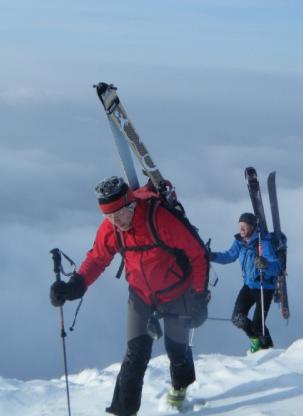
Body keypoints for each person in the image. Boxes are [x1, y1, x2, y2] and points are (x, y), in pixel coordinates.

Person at [49, 176, 210, 416]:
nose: (116, 221)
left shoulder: (160, 219)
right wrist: (76, 285)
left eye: (119, 214)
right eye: (109, 217)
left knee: (176, 350)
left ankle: (179, 388)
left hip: (177, 291)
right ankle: (124, 411)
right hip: (141, 294)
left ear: (131, 205)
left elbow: (197, 255)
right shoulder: (112, 227)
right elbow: (97, 259)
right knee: (135, 355)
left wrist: (198, 296)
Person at [210, 212, 281, 353]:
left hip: (264, 287)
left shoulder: (263, 243)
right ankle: (256, 342)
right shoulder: (240, 242)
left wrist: (265, 264)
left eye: (244, 226)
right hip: (249, 285)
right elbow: (229, 256)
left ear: (253, 227)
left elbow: (276, 267)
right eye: (240, 226)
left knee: (258, 325)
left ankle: (268, 350)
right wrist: (211, 256)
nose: (241, 229)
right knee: (237, 318)